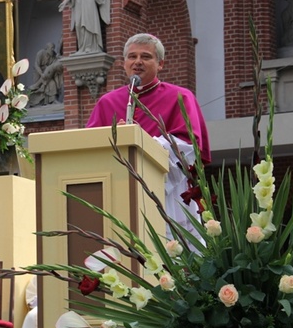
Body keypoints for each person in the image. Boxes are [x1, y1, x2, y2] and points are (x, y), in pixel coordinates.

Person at [87, 33, 211, 240]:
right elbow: (89, 150)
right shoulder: (107, 102)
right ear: (124, 63)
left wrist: (141, 140)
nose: (137, 62)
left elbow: (190, 146)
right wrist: (113, 137)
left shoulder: (179, 97)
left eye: (145, 57)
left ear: (160, 64)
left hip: (168, 196)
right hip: (115, 191)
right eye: (132, 57)